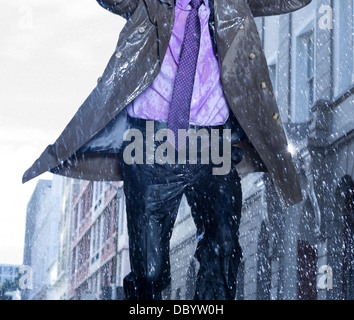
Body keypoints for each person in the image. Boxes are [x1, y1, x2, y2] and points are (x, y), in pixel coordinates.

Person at [23, 0, 312, 300]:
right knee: (149, 270)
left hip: (213, 145)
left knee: (223, 249)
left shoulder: (230, 4)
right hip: (150, 146)